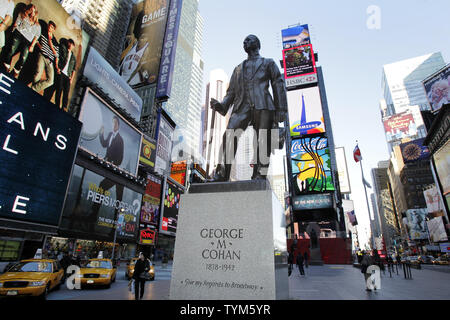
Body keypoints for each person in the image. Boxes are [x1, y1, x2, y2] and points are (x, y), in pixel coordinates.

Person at [209, 34, 287, 181]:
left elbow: (278, 83)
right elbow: (231, 92)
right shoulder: (238, 69)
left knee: (262, 140)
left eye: (249, 40)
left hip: (263, 104)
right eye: (244, 41)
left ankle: (260, 174)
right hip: (242, 107)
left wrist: (281, 109)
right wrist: (222, 105)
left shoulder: (268, 63)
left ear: (257, 44)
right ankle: (222, 173)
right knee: (230, 134)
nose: (245, 42)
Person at [2, 4, 41, 76]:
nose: (32, 12)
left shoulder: (38, 26)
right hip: (19, 34)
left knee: (23, 58)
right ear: (28, 10)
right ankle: (6, 66)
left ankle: (15, 71)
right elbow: (16, 24)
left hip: (27, 41)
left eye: (33, 11)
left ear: (36, 12)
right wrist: (13, 32)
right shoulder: (22, 15)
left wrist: (32, 45)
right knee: (11, 49)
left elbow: (37, 36)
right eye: (30, 10)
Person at [48, 38, 77, 110]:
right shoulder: (63, 49)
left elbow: (74, 69)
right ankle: (57, 105)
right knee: (59, 89)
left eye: (72, 44)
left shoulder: (73, 57)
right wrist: (57, 67)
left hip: (68, 75)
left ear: (73, 46)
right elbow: (57, 57)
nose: (70, 45)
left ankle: (64, 107)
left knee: (66, 92)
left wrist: (71, 79)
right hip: (61, 72)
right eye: (69, 43)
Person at [31, 20, 59, 94]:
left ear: (54, 29)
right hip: (42, 55)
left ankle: (34, 88)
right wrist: (39, 46)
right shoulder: (43, 33)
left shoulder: (55, 41)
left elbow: (56, 54)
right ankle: (32, 91)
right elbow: (35, 38)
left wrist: (51, 46)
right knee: (37, 74)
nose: (50, 28)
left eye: (52, 27)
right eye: (49, 26)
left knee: (50, 81)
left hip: (50, 61)